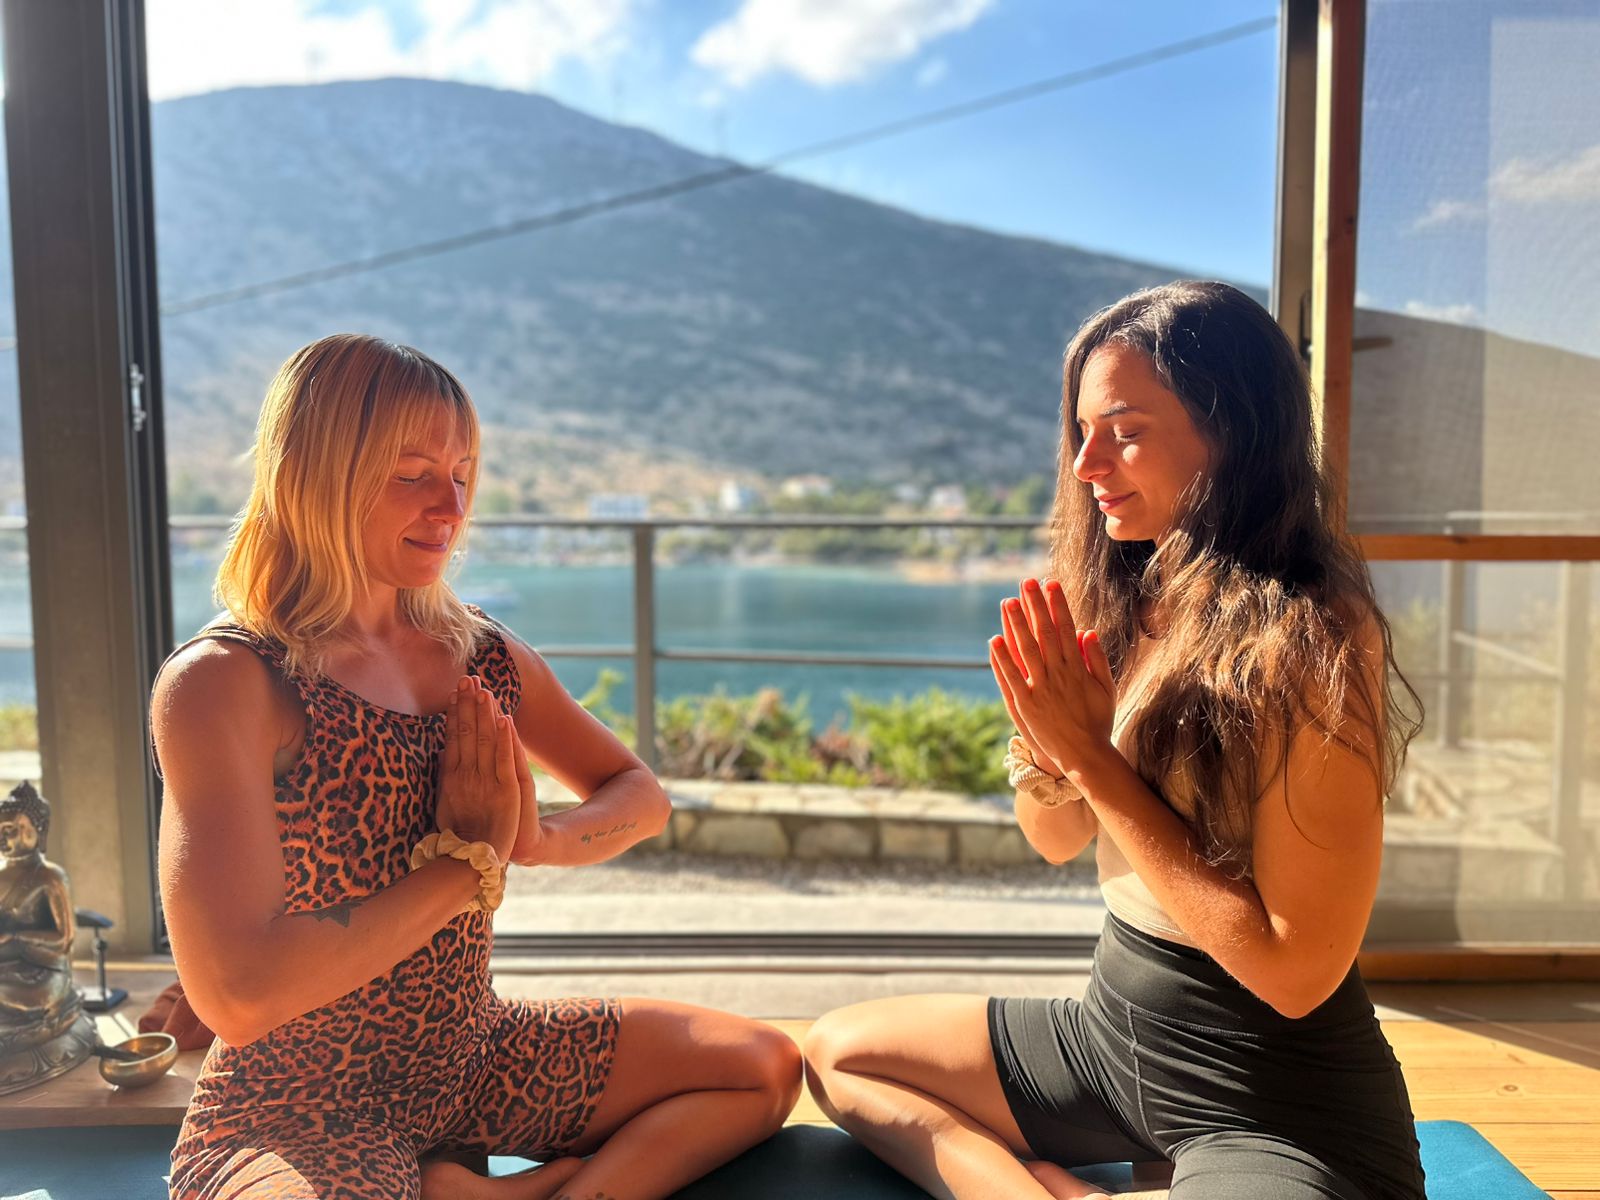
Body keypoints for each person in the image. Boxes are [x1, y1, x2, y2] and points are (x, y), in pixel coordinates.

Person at [803, 281, 1427, 1200]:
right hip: (1114, 1033)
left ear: (1234, 431)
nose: (1087, 463)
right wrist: (1049, 742)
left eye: (1125, 432)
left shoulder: (1314, 636)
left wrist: (1095, 759)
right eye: (1082, 431)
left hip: (1273, 1095)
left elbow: (1297, 972)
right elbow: (1054, 837)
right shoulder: (1128, 597)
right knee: (839, 1054)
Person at [153, 333, 801, 1200]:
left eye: (462, 475)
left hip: (471, 1054)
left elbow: (640, 796)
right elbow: (237, 997)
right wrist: (469, 864)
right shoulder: (226, 681)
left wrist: (535, 840)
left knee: (761, 1067)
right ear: (315, 473)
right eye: (412, 474)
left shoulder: (477, 653)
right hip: (298, 1106)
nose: (451, 506)